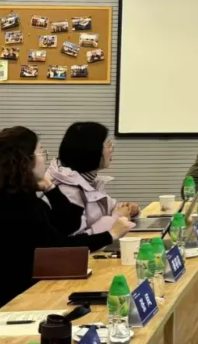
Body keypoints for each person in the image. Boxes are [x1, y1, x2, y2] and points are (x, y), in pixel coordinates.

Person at [0, 126, 133, 307]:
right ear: (25, 161)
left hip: (33, 290)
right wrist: (110, 234)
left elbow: (69, 223)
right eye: (41, 152)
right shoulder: (18, 206)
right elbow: (59, 247)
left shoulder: (25, 197)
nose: (45, 159)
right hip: (17, 300)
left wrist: (50, 188)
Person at [47, 122, 140, 236]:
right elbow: (77, 240)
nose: (111, 149)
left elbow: (108, 209)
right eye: (108, 145)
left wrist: (128, 209)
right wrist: (117, 218)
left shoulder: (88, 181)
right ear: (91, 150)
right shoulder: (67, 191)